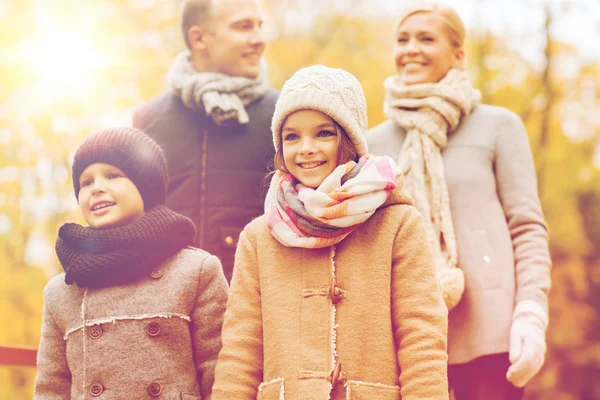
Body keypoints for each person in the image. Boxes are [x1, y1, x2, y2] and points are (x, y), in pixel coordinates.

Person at [211, 65, 449, 400]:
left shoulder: (398, 224)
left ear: (349, 140)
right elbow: (240, 351)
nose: (305, 148)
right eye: (292, 136)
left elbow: (422, 339)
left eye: (323, 133)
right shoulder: (259, 237)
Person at [367, 2, 552, 398]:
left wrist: (531, 314)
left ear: (458, 54)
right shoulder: (372, 144)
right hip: (408, 335)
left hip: (492, 335)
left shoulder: (499, 125)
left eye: (426, 38)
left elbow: (528, 228)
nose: (411, 48)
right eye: (402, 39)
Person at [33, 127, 228, 399]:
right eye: (86, 182)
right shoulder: (61, 290)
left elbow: (220, 371)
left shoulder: (196, 270)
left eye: (113, 175)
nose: (97, 187)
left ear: (146, 186)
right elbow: (51, 387)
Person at [133, 0, 278, 282]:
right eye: (243, 26)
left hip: (251, 306)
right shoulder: (146, 120)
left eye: (260, 26)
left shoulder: (283, 114)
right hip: (167, 305)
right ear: (199, 38)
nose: (260, 40)